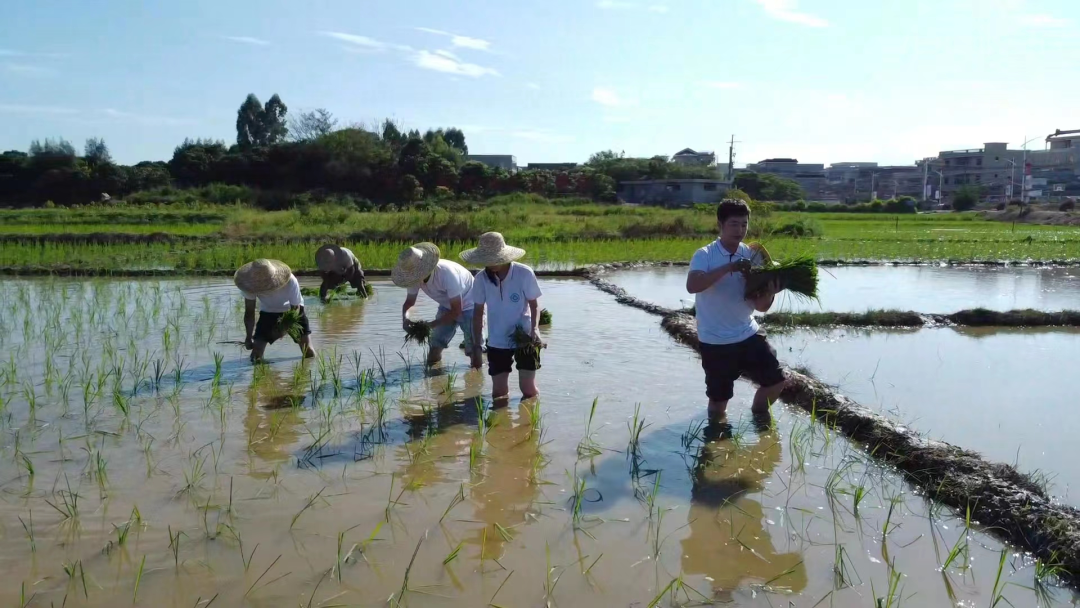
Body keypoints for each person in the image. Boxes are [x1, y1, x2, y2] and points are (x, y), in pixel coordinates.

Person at [685, 200, 785, 420]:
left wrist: (771, 291)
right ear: (720, 224)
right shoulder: (705, 254)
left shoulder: (753, 255)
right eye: (734, 224)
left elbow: (761, 307)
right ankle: (716, 440)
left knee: (776, 381)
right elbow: (693, 286)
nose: (740, 230)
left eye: (744, 224)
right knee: (718, 403)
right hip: (715, 340)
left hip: (748, 334)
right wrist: (730, 267)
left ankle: (759, 417)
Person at [462, 232, 542, 404]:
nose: (492, 264)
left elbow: (535, 306)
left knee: (528, 390)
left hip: (525, 337)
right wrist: (476, 345)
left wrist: (535, 330)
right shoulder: (481, 279)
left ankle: (528, 425)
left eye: (496, 259)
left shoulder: (524, 273)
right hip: (497, 340)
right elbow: (477, 313)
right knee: (498, 394)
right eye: (488, 260)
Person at [392, 242, 482, 368]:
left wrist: (431, 325)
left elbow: (457, 310)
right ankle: (433, 376)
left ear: (424, 269)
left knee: (473, 349)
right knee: (435, 345)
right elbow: (409, 303)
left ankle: (476, 381)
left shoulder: (447, 274)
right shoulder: (413, 278)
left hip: (470, 304)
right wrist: (405, 319)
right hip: (447, 305)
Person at [234, 258, 316, 363]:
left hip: (291, 312)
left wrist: (283, 329)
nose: (264, 286)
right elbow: (249, 313)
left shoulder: (290, 280)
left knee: (308, 352)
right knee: (256, 357)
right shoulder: (249, 285)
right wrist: (248, 337)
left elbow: (295, 308)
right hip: (267, 313)